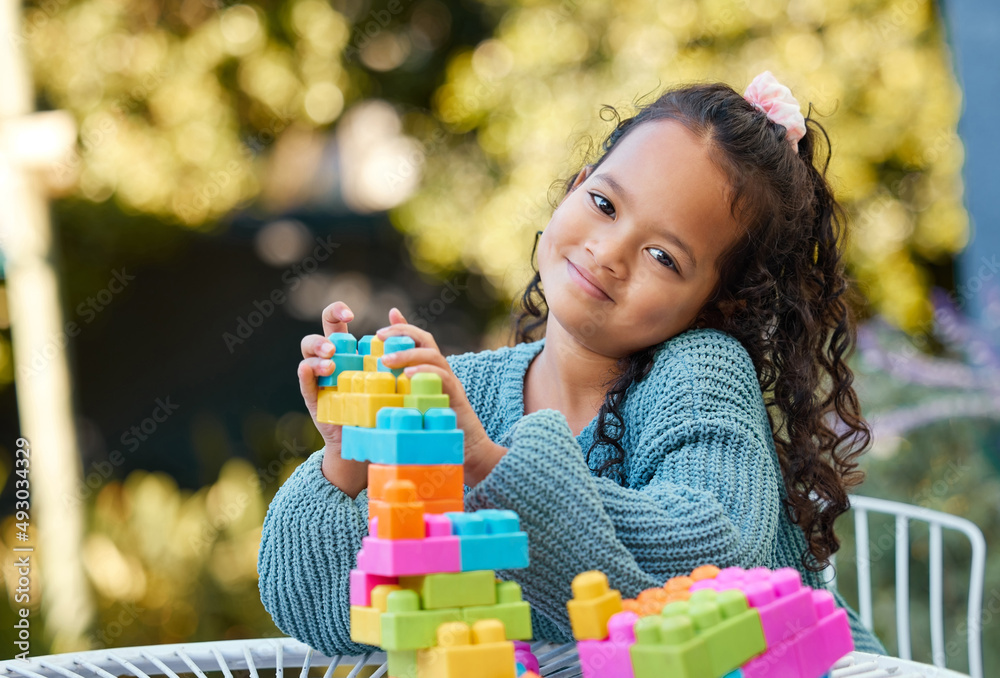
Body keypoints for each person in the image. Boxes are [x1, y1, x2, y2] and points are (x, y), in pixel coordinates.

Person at [258, 71, 887, 656]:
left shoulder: (699, 373)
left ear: (720, 305)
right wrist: (349, 462)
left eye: (664, 257)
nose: (610, 252)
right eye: (606, 205)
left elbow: (713, 561)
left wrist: (486, 463)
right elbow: (330, 609)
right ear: (574, 186)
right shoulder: (470, 389)